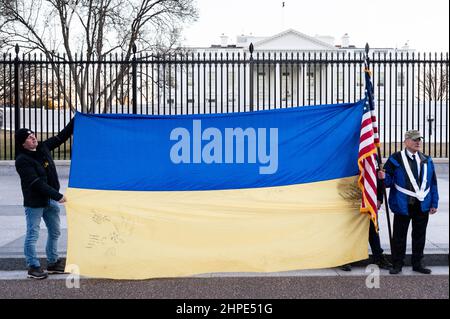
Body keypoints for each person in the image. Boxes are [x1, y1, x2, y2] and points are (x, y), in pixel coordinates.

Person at [15, 119, 74, 279]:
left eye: (33, 135)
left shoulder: (43, 147)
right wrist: (58, 195)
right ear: (22, 144)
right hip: (35, 203)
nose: (33, 138)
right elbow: (36, 183)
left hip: (51, 201)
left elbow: (61, 137)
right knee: (33, 233)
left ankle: (53, 262)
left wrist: (76, 120)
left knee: (55, 232)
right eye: (29, 137)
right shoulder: (22, 161)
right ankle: (33, 266)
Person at [378, 130, 439, 275]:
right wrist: (383, 176)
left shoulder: (427, 160)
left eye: (419, 140)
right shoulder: (395, 159)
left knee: (419, 236)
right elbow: (387, 183)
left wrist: (434, 203)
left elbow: (433, 183)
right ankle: (397, 264)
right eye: (414, 140)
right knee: (399, 236)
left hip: (422, 204)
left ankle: (418, 264)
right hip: (403, 204)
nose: (418, 142)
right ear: (406, 141)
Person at [340, 175, 392, 272]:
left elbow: (376, 176)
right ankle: (346, 258)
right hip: (351, 198)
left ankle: (378, 257)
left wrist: (379, 198)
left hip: (369, 196)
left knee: (372, 229)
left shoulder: (370, 158)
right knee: (350, 229)